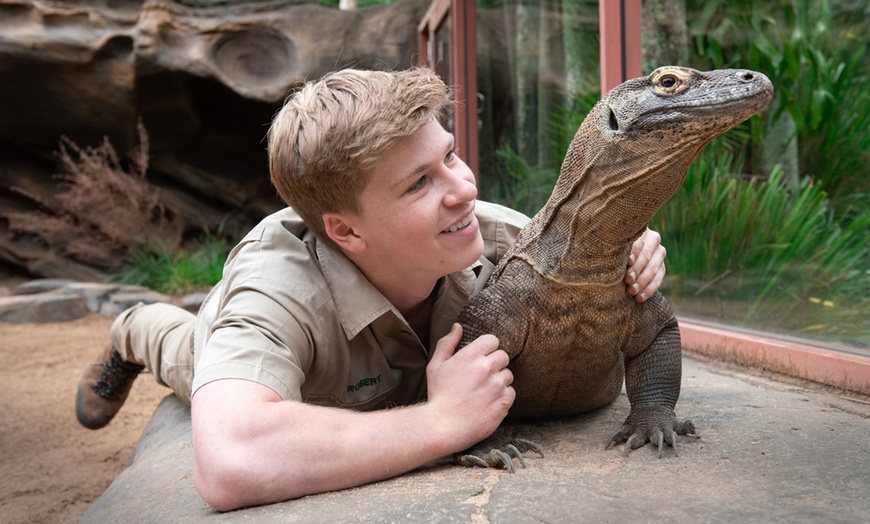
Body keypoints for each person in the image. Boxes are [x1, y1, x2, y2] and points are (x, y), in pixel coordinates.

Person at [75, 67, 667, 511]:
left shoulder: (490, 234)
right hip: (296, 363)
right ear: (344, 230)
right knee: (185, 351)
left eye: (451, 156)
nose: (462, 188)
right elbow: (232, 460)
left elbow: (583, 245)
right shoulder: (273, 292)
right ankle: (132, 329)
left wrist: (632, 251)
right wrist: (440, 424)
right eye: (418, 184)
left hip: (388, 384)